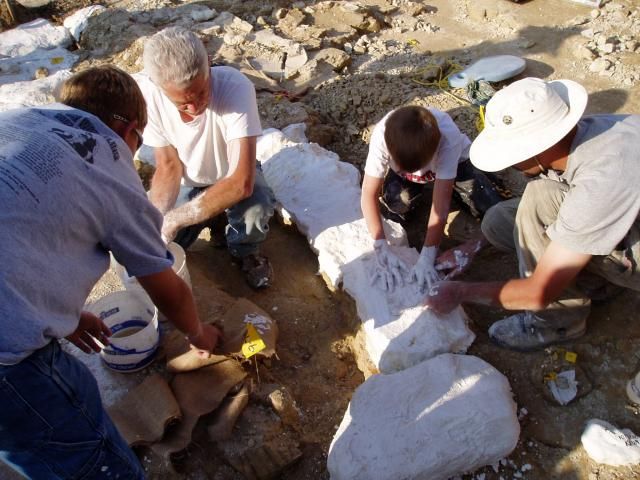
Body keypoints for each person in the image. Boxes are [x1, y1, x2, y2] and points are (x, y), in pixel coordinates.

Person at [0, 65, 220, 479]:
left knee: (29, 447)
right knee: (86, 450)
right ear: (131, 130)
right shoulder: (106, 163)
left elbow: (17, 230)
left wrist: (59, 316)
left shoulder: (15, 121)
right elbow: (166, 287)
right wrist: (198, 333)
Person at [426, 77, 640, 351]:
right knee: (498, 221)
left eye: (513, 154)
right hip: (621, 217)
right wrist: (472, 246)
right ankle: (591, 278)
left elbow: (539, 292)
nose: (510, 163)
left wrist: (459, 292)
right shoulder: (580, 135)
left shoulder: (604, 178)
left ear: (540, 148)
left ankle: (560, 322)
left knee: (538, 199)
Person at [137, 26, 276, 289]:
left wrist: (178, 218)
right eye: (182, 103)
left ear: (209, 66)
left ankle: (245, 252)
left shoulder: (235, 87)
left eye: (201, 93)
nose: (195, 106)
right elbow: (168, 166)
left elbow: (240, 182)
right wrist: (161, 221)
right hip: (187, 179)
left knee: (256, 205)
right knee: (159, 241)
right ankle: (214, 216)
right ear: (160, 87)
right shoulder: (149, 96)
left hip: (233, 172)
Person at [361, 105, 502, 293]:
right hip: (412, 169)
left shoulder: (448, 138)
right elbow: (368, 193)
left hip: (457, 164)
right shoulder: (382, 135)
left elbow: (440, 206)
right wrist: (380, 244)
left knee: (492, 209)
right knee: (396, 201)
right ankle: (412, 183)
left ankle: (459, 186)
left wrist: (428, 255)